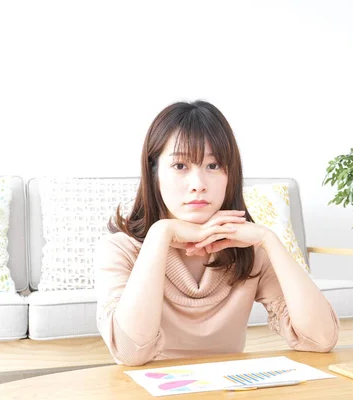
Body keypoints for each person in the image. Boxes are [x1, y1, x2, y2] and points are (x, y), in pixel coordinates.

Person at [94, 100, 339, 366]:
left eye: (212, 166)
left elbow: (321, 339)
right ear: (154, 173)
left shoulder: (249, 248)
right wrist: (160, 235)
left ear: (230, 175)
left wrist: (270, 240)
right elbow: (131, 353)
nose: (198, 184)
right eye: (180, 166)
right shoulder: (120, 249)